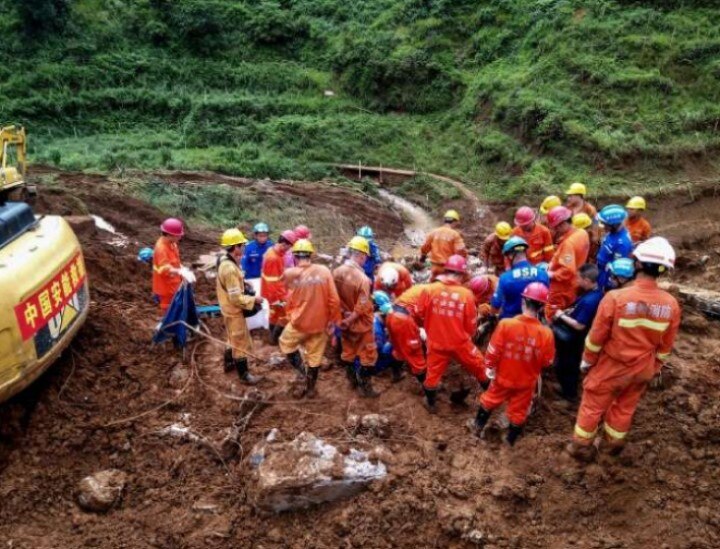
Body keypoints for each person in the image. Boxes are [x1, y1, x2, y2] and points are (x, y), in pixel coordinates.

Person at [568, 237, 681, 460]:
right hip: (643, 368)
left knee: (592, 404)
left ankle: (580, 448)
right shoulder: (671, 304)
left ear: (637, 264)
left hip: (612, 365)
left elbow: (596, 338)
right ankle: (612, 446)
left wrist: (587, 361)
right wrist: (653, 367)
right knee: (625, 407)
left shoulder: (616, 298)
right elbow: (665, 347)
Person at [473, 282, 555, 446]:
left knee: (489, 400)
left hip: (503, 377)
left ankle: (477, 427)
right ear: (541, 307)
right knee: (519, 412)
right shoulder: (546, 334)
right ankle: (509, 441)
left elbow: (493, 350)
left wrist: (489, 367)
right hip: (526, 383)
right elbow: (547, 362)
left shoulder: (506, 325)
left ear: (523, 301)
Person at [415, 255, 487, 412]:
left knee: (432, 375)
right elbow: (471, 325)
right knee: (479, 365)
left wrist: (432, 323)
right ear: (461, 274)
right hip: (460, 342)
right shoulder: (466, 295)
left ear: (445, 271)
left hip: (436, 342)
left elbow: (419, 312)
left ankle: (431, 404)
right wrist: (467, 336)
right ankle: (491, 396)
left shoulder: (428, 289)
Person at [279, 239, 341, 398]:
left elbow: (288, 297)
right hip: (321, 323)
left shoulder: (290, 274)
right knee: (315, 356)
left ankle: (301, 372)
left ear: (295, 256)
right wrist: (333, 322)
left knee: (286, 343)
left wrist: (289, 313)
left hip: (299, 322)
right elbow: (334, 300)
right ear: (311, 255)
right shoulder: (324, 271)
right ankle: (311, 388)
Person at [217, 228, 264, 385]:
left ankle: (228, 363)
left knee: (232, 337)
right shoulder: (229, 269)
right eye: (242, 245)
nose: (244, 247)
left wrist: (243, 283)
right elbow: (236, 298)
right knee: (239, 341)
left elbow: (232, 285)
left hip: (227, 307)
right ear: (236, 247)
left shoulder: (226, 261)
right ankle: (244, 375)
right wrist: (254, 300)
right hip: (233, 310)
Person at [333, 236, 379, 397]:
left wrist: (343, 318)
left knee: (348, 352)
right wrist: (350, 319)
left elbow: (333, 298)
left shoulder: (337, 272)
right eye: (365, 256)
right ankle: (366, 388)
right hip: (361, 324)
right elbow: (362, 305)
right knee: (368, 355)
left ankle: (352, 381)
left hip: (344, 322)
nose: (365, 259)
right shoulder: (363, 279)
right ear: (361, 255)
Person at [551, 264, 603, 402]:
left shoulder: (589, 301)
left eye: (579, 278)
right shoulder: (595, 293)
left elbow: (579, 325)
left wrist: (561, 315)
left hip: (574, 338)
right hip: (578, 337)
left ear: (587, 280)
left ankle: (569, 396)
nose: (576, 281)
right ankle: (565, 387)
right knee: (567, 365)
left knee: (567, 366)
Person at [545, 206, 590, 319]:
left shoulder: (568, 244)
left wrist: (551, 274)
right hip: (574, 283)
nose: (556, 230)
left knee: (553, 314)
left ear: (562, 224)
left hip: (562, 286)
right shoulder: (582, 233)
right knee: (566, 311)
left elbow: (568, 270)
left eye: (556, 227)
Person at [491, 236, 549, 319]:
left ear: (510, 256)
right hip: (535, 321)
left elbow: (496, 305)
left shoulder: (505, 278)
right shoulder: (542, 274)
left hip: (510, 323)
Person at [373, 290, 423, 383]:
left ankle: (396, 373)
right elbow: (380, 349)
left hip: (373, 349)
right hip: (374, 358)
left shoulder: (377, 318)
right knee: (411, 354)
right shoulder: (377, 329)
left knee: (397, 349)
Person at [261, 229, 299, 345]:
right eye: (289, 247)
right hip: (274, 294)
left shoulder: (274, 252)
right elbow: (273, 282)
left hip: (271, 293)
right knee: (284, 316)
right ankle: (275, 340)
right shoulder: (274, 258)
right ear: (284, 244)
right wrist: (281, 298)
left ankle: (272, 340)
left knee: (274, 316)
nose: (290, 250)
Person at [153, 218, 194, 313]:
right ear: (170, 235)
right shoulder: (161, 249)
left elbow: (175, 262)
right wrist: (180, 271)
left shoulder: (172, 244)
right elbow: (164, 270)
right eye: (178, 235)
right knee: (169, 315)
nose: (180, 237)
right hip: (165, 289)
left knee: (177, 312)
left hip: (174, 286)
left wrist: (183, 269)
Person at [420, 210, 468, 279]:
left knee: (434, 287)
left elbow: (425, 248)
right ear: (454, 221)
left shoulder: (434, 232)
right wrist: (464, 263)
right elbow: (460, 251)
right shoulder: (455, 234)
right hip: (449, 268)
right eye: (457, 222)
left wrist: (422, 259)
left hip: (435, 267)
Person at [596, 205, 633, 289]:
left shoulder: (622, 243)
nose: (603, 226)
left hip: (606, 275)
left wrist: (608, 285)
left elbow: (618, 268)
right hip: (601, 270)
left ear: (614, 225)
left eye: (605, 224)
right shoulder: (612, 233)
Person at [565, 182, 600, 260]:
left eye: (571, 196)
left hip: (586, 239)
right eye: (568, 196)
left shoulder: (590, 209)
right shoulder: (568, 208)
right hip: (572, 239)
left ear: (579, 196)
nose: (568, 198)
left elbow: (595, 222)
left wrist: (595, 235)